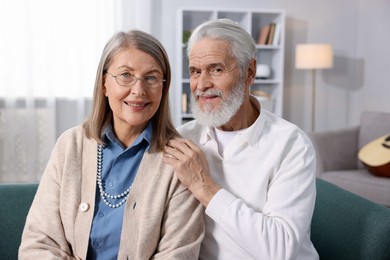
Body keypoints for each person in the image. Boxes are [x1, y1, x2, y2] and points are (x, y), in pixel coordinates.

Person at [19, 30, 204, 259]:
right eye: (126, 75)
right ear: (104, 83)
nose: (138, 90)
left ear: (163, 88)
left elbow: (179, 254)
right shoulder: (70, 146)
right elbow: (36, 245)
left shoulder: (182, 161)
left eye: (151, 77)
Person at [163, 19, 319, 259]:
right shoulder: (183, 139)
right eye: (195, 71)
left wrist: (204, 187)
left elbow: (280, 249)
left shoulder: (291, 144)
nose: (202, 85)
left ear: (250, 72)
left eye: (216, 69)